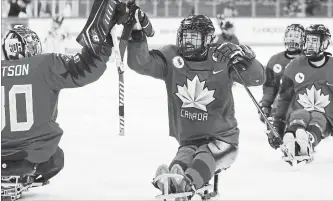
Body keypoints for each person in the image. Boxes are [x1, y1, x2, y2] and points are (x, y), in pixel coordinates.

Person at [126, 8, 265, 199]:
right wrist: (136, 34)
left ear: (208, 39)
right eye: (185, 37)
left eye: (194, 37)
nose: (187, 42)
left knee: (204, 156)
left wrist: (246, 58)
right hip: (189, 140)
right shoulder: (172, 58)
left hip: (222, 140)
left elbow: (257, 79)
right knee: (183, 158)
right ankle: (175, 177)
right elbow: (140, 63)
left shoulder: (221, 58)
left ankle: (186, 181)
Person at [1, 0, 126, 184]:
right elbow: (87, 68)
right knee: (56, 158)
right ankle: (26, 174)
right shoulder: (44, 65)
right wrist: (104, 35)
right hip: (33, 154)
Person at [271, 24, 332, 164]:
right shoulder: (294, 65)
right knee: (299, 115)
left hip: (325, 115)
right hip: (299, 110)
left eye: (315, 41)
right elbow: (284, 98)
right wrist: (277, 124)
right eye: (308, 40)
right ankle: (291, 137)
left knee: (318, 118)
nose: (310, 45)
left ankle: (308, 139)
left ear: (324, 43)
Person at [259, 24, 305, 148]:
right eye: (290, 36)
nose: (292, 40)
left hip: (301, 104)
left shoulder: (307, 60)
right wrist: (266, 104)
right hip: (280, 103)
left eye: (296, 37)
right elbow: (270, 86)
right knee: (275, 136)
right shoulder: (275, 60)